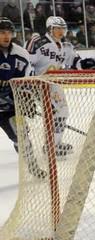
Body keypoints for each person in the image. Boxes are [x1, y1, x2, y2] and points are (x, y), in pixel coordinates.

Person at [25, 16, 95, 157]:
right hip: (38, 83)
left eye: (63, 29)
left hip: (54, 85)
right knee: (57, 113)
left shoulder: (66, 46)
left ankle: (54, 143)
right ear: (50, 29)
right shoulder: (38, 42)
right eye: (57, 28)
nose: (61, 31)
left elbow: (76, 63)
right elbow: (26, 61)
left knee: (62, 112)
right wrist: (29, 84)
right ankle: (51, 144)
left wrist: (87, 64)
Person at [0, 17, 46, 179]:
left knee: (22, 136)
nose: (6, 36)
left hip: (9, 108)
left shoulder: (21, 54)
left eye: (8, 32)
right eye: (2, 33)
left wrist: (27, 98)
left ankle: (32, 166)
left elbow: (28, 80)